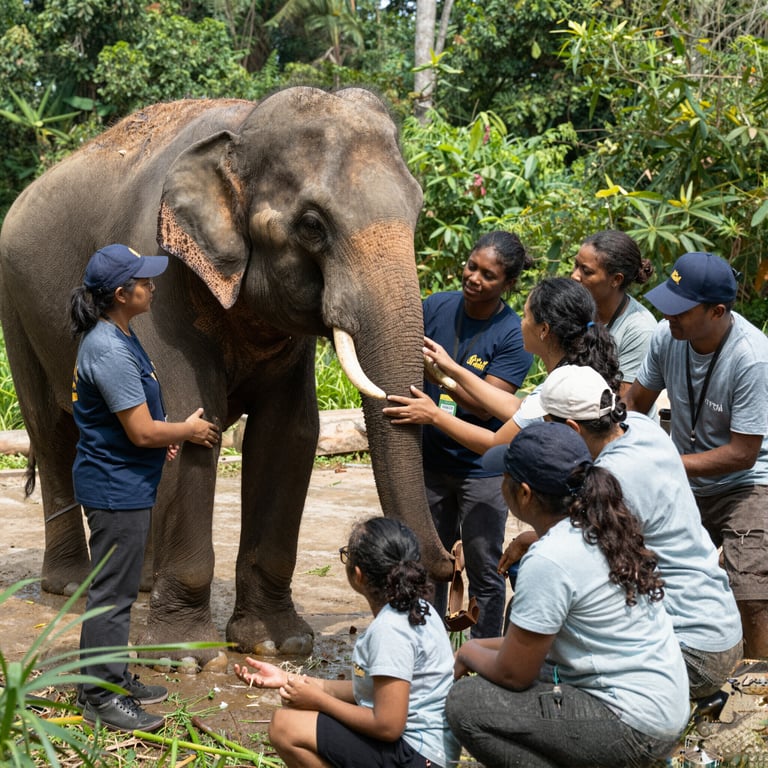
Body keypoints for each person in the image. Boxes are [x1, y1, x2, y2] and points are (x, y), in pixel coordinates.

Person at [446, 422, 690, 768]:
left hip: (632, 726)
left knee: (466, 704)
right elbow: (528, 648)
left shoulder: (550, 558)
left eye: (505, 478)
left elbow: (515, 674)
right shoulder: (603, 526)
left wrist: (470, 652)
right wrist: (475, 649)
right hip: (663, 709)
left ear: (525, 494)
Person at [519, 364, 742, 699]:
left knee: (541, 664)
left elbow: (571, 562)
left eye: (547, 426)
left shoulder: (611, 480)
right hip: (721, 626)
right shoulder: (640, 427)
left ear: (571, 429)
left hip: (691, 652)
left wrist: (531, 539)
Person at [71, 243, 221, 732]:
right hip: (115, 488)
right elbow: (138, 430)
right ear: (120, 293)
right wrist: (183, 431)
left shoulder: (120, 334)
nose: (152, 286)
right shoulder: (108, 348)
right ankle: (99, 696)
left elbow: (133, 423)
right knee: (113, 594)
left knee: (116, 590)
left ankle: (109, 677)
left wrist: (161, 436)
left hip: (125, 478)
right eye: (144, 281)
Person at [387, 231, 534, 638]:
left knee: (485, 568)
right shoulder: (437, 305)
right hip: (431, 462)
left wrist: (445, 375)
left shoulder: (512, 334)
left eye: (488, 275)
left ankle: (483, 658)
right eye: (472, 266)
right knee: (428, 563)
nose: (474, 278)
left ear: (507, 284)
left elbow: (486, 406)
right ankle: (429, 649)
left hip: (480, 470)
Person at [625, 251, 768, 658]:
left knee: (751, 588)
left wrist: (663, 463)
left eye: (681, 310)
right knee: (649, 570)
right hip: (686, 475)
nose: (669, 316)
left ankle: (755, 702)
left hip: (747, 483)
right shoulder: (665, 337)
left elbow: (743, 454)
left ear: (717, 311)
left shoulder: (751, 357)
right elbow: (635, 402)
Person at [233, 517, 460, 768]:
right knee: (297, 718)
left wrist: (319, 702)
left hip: (418, 756)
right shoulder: (419, 609)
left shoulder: (390, 631)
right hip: (427, 753)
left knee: (285, 726)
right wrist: (287, 679)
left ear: (359, 575)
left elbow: (388, 726)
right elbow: (370, 690)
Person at [385, 277, 621, 456]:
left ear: (544, 330)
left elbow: (493, 444)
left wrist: (434, 415)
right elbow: (519, 407)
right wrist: (452, 367)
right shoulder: (573, 374)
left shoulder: (558, 388)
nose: (521, 322)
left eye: (526, 316)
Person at [571, 230, 657, 395]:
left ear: (616, 280)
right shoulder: (576, 309)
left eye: (586, 271)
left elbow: (626, 404)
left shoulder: (640, 329)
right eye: (576, 266)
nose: (575, 276)